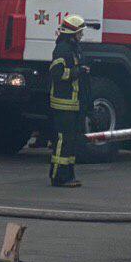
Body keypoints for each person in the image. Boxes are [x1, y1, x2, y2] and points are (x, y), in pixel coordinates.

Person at [49, 14, 88, 188]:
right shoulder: (62, 49)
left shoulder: (74, 49)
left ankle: (69, 174)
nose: (81, 36)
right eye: (79, 33)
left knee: (70, 142)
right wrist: (76, 72)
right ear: (72, 33)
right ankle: (58, 176)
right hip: (63, 104)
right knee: (63, 141)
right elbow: (57, 73)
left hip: (73, 104)